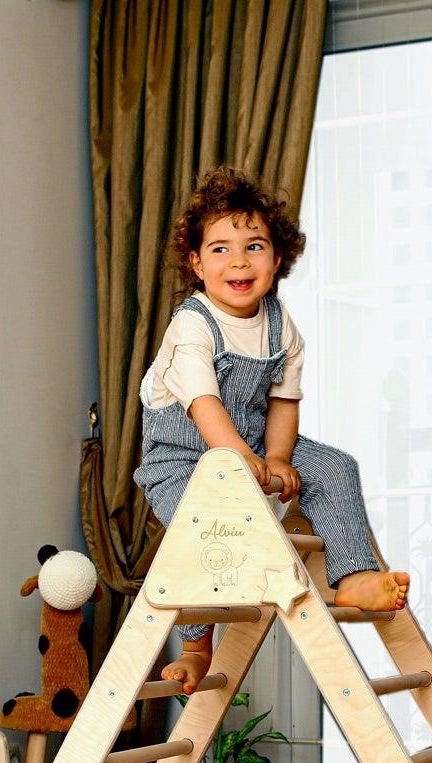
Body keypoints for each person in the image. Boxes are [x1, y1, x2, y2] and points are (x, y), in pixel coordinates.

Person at [134, 167, 409, 692]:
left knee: (335, 466)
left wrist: (278, 458)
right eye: (219, 249)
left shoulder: (282, 326)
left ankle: (351, 575)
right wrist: (240, 462)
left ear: (277, 258)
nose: (238, 260)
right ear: (195, 262)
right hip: (183, 460)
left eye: (254, 246)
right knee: (202, 539)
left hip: (257, 445)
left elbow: (283, 402)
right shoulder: (192, 324)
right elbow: (205, 406)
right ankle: (196, 646)